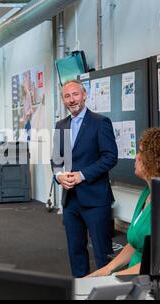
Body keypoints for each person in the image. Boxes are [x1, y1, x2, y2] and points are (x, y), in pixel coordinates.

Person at [88, 128, 160, 277]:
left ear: (155, 159)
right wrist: (107, 269)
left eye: (140, 152)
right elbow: (136, 243)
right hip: (135, 276)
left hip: (153, 281)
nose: (136, 156)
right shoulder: (147, 192)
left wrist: (116, 277)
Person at [51, 79, 118, 278]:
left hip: (96, 199)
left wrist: (82, 175)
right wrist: (59, 176)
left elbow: (110, 157)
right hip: (70, 200)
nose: (72, 100)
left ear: (84, 94)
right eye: (67, 96)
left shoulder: (100, 122)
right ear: (63, 100)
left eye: (75, 94)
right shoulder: (61, 125)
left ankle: (106, 293)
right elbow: (56, 159)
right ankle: (81, 291)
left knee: (102, 253)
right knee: (75, 251)